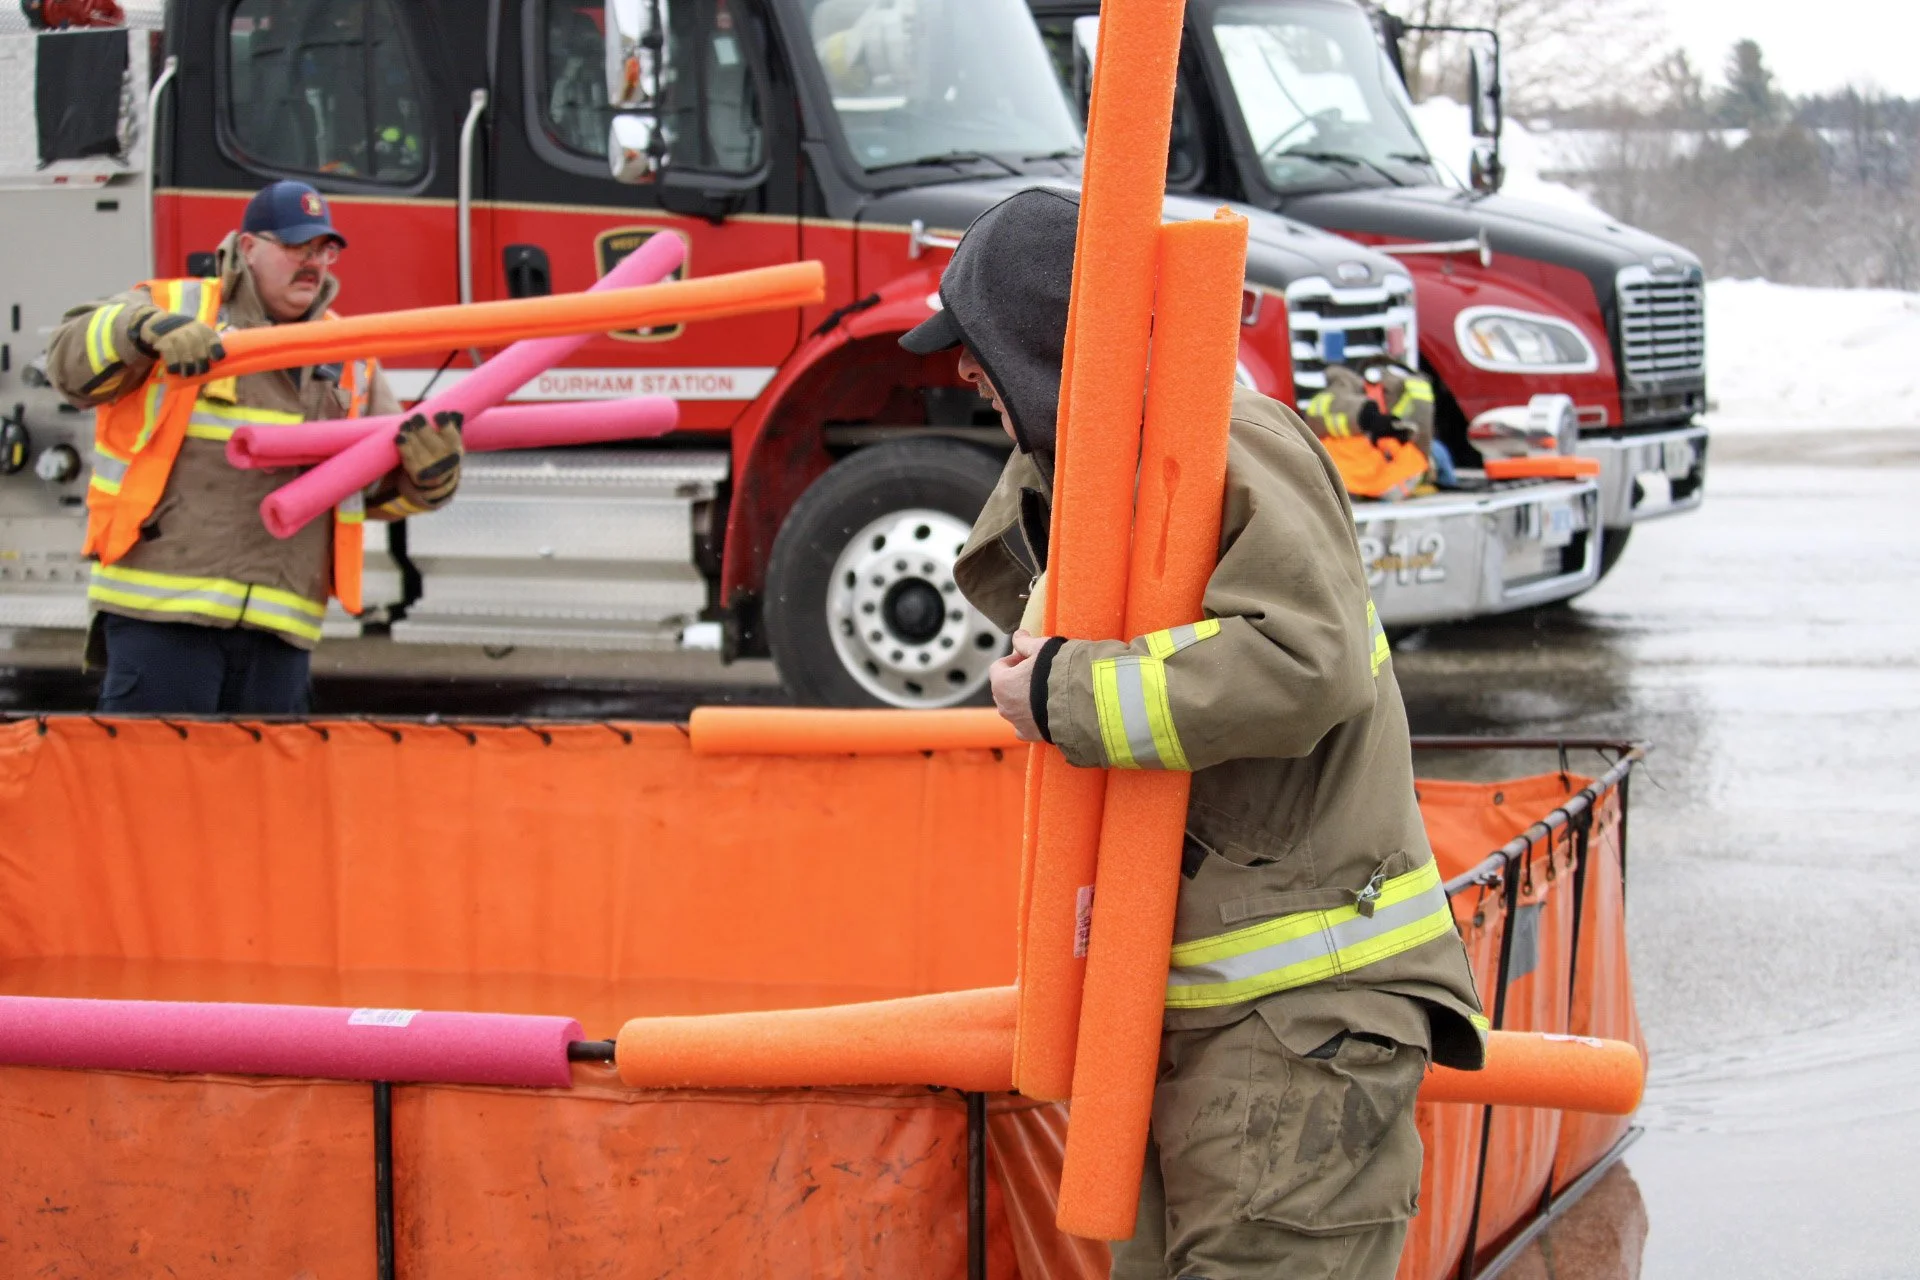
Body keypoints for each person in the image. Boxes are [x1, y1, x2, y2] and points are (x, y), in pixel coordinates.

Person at [901, 188, 1487, 1280]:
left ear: (1045, 340)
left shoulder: (1221, 443)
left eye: (979, 348)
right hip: (1216, 1030)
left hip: (1302, 1025)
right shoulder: (1119, 475)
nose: (963, 375)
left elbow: (1301, 663)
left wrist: (1071, 693)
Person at [48, 179, 464, 715]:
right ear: (247, 248)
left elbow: (367, 491)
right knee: (154, 792)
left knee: (260, 799)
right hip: (163, 616)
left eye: (325, 250)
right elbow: (66, 360)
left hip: (278, 633)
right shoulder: (179, 308)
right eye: (297, 247)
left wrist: (428, 481)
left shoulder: (349, 353)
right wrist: (143, 330)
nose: (314, 263)